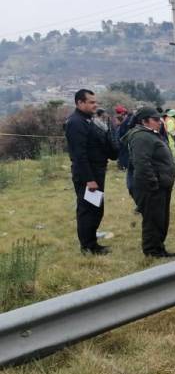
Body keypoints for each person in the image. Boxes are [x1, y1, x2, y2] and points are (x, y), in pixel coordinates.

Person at [64, 88, 119, 254]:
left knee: (96, 209)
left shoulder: (90, 120)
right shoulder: (75, 122)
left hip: (97, 170)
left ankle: (92, 242)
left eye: (96, 102)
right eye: (91, 102)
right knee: (88, 210)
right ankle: (88, 247)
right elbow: (78, 154)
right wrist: (89, 179)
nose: (95, 105)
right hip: (88, 174)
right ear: (80, 103)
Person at [125, 108, 175, 258]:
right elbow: (142, 164)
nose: (159, 122)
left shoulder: (149, 135)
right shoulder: (141, 137)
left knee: (160, 219)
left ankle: (159, 248)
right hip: (152, 188)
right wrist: (153, 184)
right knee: (153, 220)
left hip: (161, 185)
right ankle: (152, 251)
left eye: (159, 119)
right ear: (144, 121)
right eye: (155, 119)